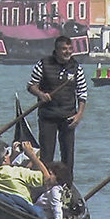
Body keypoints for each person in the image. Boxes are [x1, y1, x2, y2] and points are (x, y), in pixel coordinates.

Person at [27, 35, 88, 185]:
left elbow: (82, 94)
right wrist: (41, 94)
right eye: (64, 49)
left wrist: (79, 115)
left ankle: (67, 186)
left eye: (70, 49)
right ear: (56, 50)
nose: (67, 52)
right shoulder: (43, 64)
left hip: (68, 117)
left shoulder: (76, 68)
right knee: (47, 154)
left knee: (68, 155)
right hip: (47, 116)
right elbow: (31, 85)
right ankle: (45, 183)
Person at [0, 141, 55, 217]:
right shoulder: (19, 172)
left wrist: (13, 155)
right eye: (7, 152)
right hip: (25, 212)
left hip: (5, 210)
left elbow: (4, 171)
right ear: (4, 159)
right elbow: (48, 179)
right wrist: (32, 156)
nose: (9, 153)